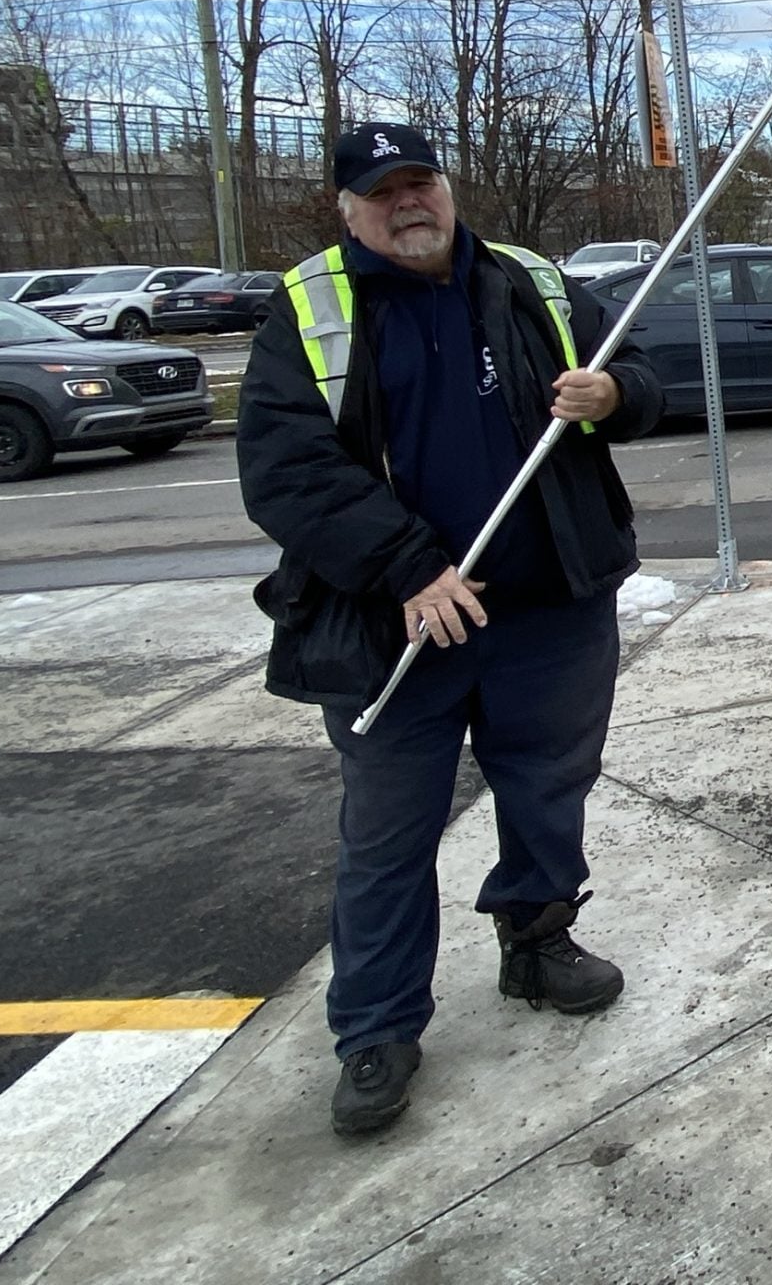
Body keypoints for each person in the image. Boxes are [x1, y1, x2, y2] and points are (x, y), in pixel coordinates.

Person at [239, 124, 666, 1138]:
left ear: (447, 186)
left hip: (548, 610)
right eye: (381, 193)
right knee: (387, 837)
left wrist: (614, 395)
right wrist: (407, 568)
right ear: (347, 210)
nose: (407, 204)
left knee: (547, 791)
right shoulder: (311, 309)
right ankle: (378, 1031)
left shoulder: (533, 283)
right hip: (396, 627)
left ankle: (536, 940)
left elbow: (643, 379)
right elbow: (287, 470)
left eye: (419, 181)